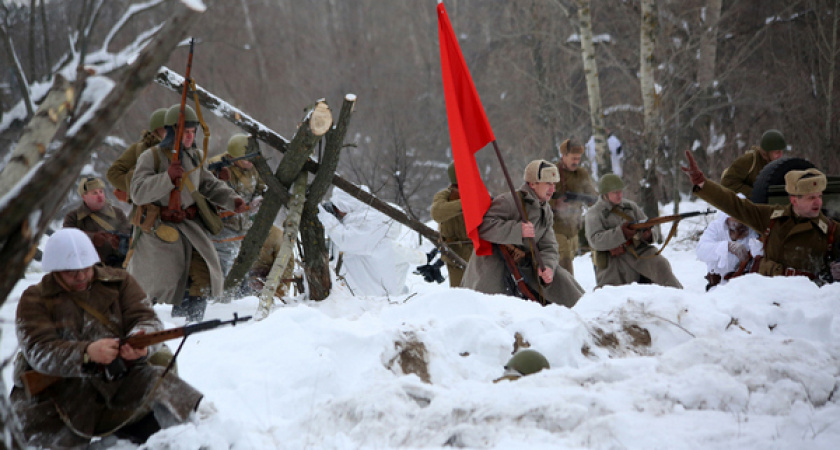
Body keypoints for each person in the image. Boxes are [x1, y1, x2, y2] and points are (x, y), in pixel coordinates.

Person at [10, 228, 204, 448]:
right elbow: (39, 351)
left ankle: (186, 439)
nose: (81, 276)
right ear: (55, 269)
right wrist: (86, 353)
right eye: (71, 272)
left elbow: (146, 319)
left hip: (116, 382)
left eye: (86, 268)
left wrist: (140, 340)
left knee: (162, 382)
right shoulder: (34, 299)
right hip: (59, 395)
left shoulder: (120, 282)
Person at [128, 104, 246, 322]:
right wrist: (166, 177)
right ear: (172, 133)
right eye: (185, 132)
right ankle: (168, 323)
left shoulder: (196, 156)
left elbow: (208, 184)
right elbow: (137, 192)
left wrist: (232, 199)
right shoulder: (151, 157)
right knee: (163, 281)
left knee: (203, 273)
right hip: (158, 229)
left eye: (192, 132)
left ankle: (192, 322)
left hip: (190, 226)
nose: (190, 137)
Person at [682, 150, 840, 284]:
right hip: (767, 294)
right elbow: (735, 205)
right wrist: (702, 183)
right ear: (794, 200)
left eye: (819, 196)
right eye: (811, 198)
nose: (818, 202)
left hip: (805, 299)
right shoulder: (772, 217)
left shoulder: (831, 230)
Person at [460, 160, 585, 308]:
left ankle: (586, 310)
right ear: (532, 184)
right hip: (494, 269)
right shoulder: (509, 201)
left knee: (565, 284)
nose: (552, 189)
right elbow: (483, 227)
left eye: (554, 184)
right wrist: (517, 230)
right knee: (493, 311)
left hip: (525, 268)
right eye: (548, 183)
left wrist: (548, 267)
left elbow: (549, 246)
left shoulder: (545, 210)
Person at [318, 187, 426, 296]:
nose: (337, 212)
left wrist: (325, 217)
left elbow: (346, 241)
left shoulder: (368, 226)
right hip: (369, 292)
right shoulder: (368, 229)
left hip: (370, 295)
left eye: (338, 207)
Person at [585, 174, 683, 289]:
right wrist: (621, 233)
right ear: (605, 194)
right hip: (613, 259)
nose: (619, 195)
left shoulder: (630, 207)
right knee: (613, 292)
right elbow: (595, 240)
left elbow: (650, 226)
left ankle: (678, 295)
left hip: (638, 252)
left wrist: (648, 235)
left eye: (620, 191)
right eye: (615, 192)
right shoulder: (594, 213)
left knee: (660, 264)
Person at [207, 134, 266, 275]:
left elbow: (262, 187)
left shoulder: (255, 167)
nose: (250, 162)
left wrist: (258, 199)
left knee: (243, 269)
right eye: (246, 159)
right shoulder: (217, 167)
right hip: (222, 229)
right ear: (232, 157)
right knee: (222, 269)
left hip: (244, 228)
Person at [550, 139, 598, 275]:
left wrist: (595, 200)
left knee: (568, 259)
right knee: (564, 261)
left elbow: (592, 194)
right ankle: (569, 288)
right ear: (564, 156)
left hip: (574, 227)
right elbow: (539, 199)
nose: (576, 162)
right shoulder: (552, 173)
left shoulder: (581, 174)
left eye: (578, 158)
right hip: (555, 227)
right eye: (573, 158)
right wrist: (556, 204)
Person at [63, 177, 131, 267]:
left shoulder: (117, 213)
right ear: (84, 197)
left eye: (101, 192)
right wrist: (92, 238)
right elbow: (67, 238)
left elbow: (128, 230)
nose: (100, 196)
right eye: (94, 193)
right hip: (89, 269)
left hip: (119, 267)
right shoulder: (73, 217)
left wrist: (118, 238)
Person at [696, 203, 763, 291]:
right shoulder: (716, 227)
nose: (737, 221)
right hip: (717, 285)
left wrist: (752, 255)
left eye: (740, 217)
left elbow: (759, 254)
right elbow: (701, 251)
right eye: (734, 216)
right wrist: (727, 246)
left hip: (743, 286)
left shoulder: (751, 231)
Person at [107, 107, 168, 204]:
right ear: (156, 130)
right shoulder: (140, 148)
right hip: (147, 208)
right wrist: (137, 186)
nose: (171, 132)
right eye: (166, 129)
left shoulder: (181, 149)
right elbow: (113, 173)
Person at [430, 163, 473, 287]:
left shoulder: (476, 191)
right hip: (455, 254)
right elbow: (437, 213)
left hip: (478, 253)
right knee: (461, 292)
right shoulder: (444, 195)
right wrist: (466, 203)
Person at [720, 129, 787, 197]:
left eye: (782, 151)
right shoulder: (749, 161)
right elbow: (727, 182)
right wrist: (754, 193)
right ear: (767, 152)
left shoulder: (780, 165)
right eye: (777, 152)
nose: (780, 155)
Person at [245, 224, 297, 300]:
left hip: (270, 278)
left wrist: (275, 287)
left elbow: (286, 265)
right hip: (248, 277)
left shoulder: (276, 236)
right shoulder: (244, 231)